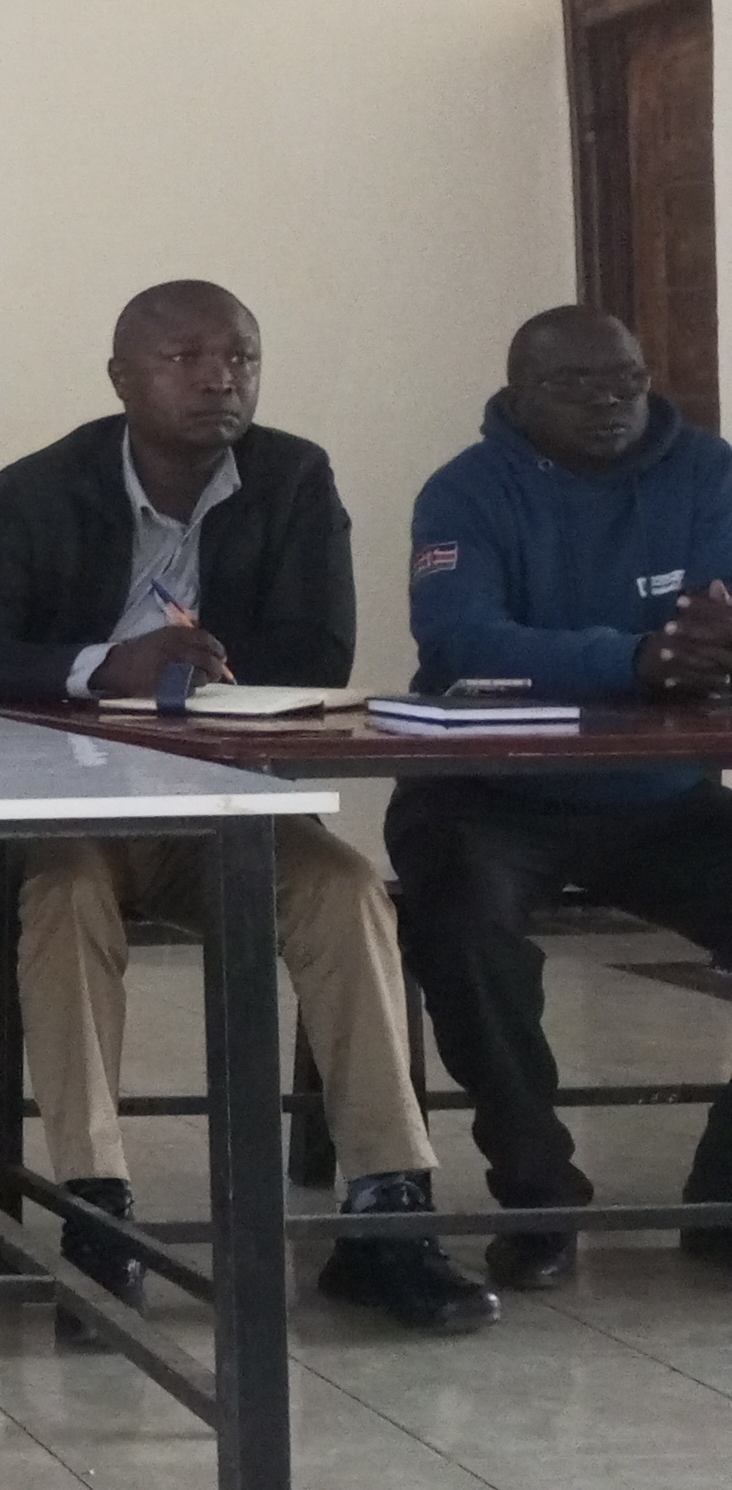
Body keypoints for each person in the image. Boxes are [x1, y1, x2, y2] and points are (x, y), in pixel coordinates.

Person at [0, 281, 495, 1335]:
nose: (220, 377)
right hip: (51, 816)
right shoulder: (40, 490)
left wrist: (203, 678)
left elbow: (320, 655)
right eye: (186, 357)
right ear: (122, 378)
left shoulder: (293, 478)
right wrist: (107, 669)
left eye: (240, 358)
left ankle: (389, 1210)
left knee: (347, 887)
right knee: (68, 890)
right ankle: (99, 1207)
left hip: (213, 812)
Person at [389, 305, 732, 1292]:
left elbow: (712, 618)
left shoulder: (706, 470)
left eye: (626, 379)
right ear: (520, 392)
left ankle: (724, 1191)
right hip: (490, 796)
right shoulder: (464, 491)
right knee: (464, 928)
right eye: (577, 385)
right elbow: (465, 640)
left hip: (661, 796)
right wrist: (629, 658)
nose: (612, 403)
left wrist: (707, 646)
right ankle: (539, 1193)